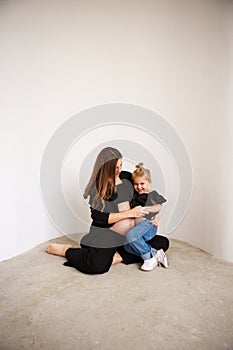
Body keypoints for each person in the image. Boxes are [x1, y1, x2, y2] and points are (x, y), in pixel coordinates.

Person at [46, 147, 169, 275]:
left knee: (162, 243)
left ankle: (117, 257)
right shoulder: (98, 188)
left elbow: (146, 193)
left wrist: (156, 216)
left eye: (120, 166)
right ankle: (66, 250)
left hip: (130, 235)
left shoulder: (127, 177)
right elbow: (99, 218)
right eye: (115, 167)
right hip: (108, 235)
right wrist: (130, 213)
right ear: (105, 167)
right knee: (97, 266)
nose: (119, 170)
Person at [124, 163, 168, 271]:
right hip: (138, 229)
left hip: (148, 225)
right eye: (136, 184)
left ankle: (148, 258)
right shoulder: (135, 195)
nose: (139, 187)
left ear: (149, 182)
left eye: (142, 183)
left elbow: (158, 207)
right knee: (127, 246)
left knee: (130, 236)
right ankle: (155, 253)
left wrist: (145, 210)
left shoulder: (151, 194)